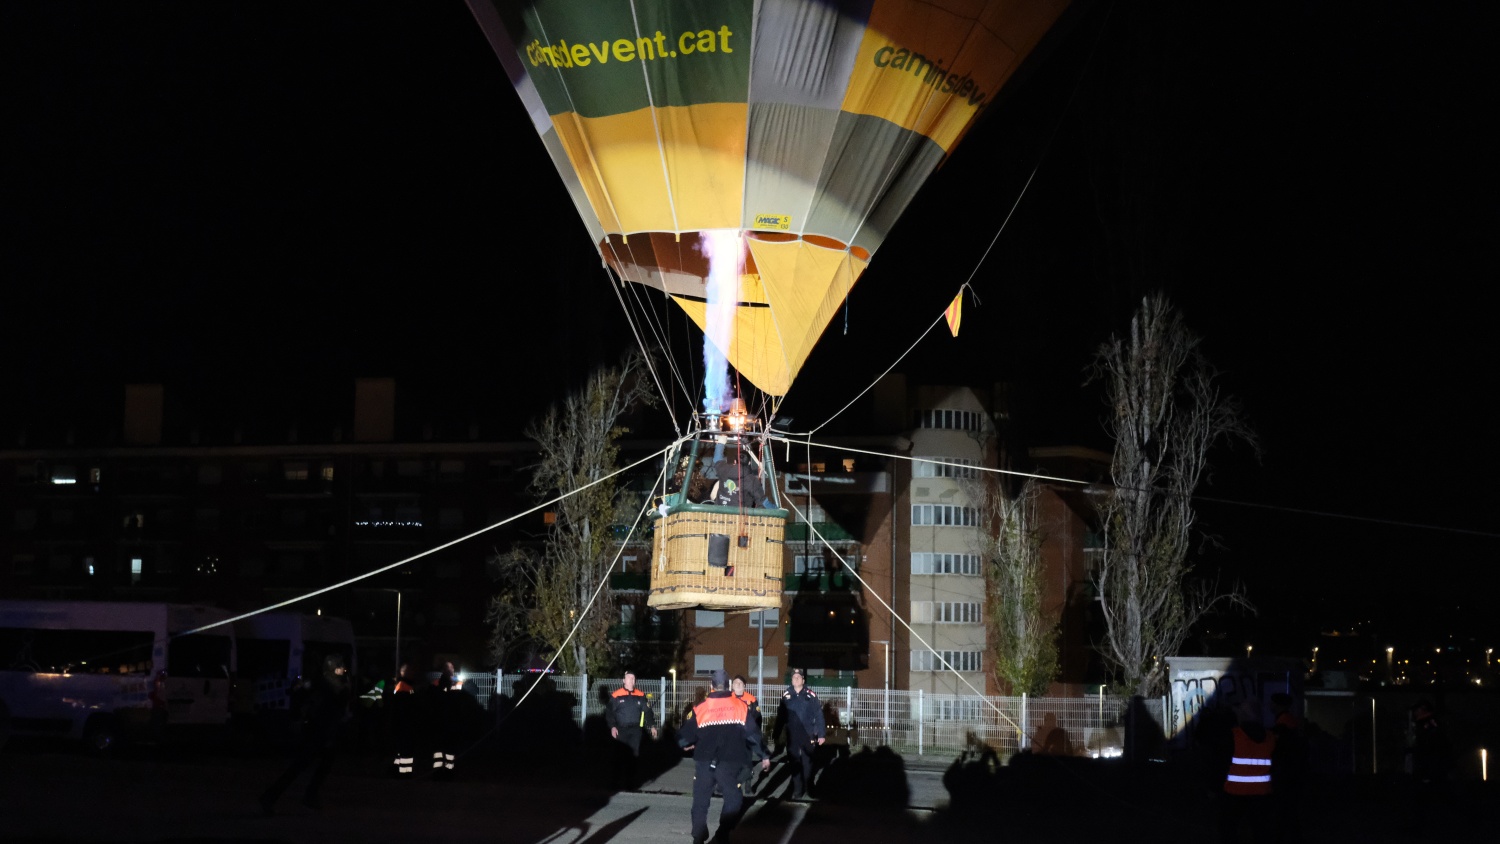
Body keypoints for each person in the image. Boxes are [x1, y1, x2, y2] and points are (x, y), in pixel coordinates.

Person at [678, 669, 769, 844]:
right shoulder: (740, 707)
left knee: (700, 801)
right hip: (729, 762)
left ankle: (698, 835)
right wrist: (764, 754)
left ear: (711, 686)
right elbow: (753, 735)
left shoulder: (701, 708)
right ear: (729, 685)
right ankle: (722, 833)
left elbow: (683, 738)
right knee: (734, 799)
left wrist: (686, 745)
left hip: (704, 762)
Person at [259, 652, 352, 815]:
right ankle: (271, 797)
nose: (342, 668)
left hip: (329, 730)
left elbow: (339, 707)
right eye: (339, 666)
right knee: (300, 766)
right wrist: (301, 714)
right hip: (317, 730)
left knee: (323, 764)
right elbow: (300, 694)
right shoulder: (321, 682)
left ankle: (308, 795)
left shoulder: (341, 684)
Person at [1218, 698, 1276, 844]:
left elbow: (1221, 763)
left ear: (1242, 715)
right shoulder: (1271, 737)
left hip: (1234, 792)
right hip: (1262, 793)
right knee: (1261, 832)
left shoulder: (1233, 735)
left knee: (1229, 830)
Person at [774, 668, 826, 799]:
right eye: (794, 677)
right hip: (792, 736)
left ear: (803, 680)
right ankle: (798, 790)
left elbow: (819, 715)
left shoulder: (810, 695)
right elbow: (781, 716)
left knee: (807, 764)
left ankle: (809, 787)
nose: (796, 679)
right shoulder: (786, 695)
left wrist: (821, 734)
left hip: (808, 735)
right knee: (794, 763)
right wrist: (776, 733)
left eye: (798, 677)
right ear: (791, 680)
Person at [605, 670, 659, 788]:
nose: (631, 680)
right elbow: (609, 713)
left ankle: (630, 782)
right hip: (621, 730)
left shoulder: (640, 695)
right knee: (620, 755)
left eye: (633, 678)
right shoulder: (616, 695)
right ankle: (616, 781)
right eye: (629, 678)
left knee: (634, 755)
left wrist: (652, 726)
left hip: (635, 731)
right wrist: (612, 727)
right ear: (623, 680)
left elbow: (648, 712)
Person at [1268, 693, 1308, 843]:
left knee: (1283, 809)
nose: (1270, 706)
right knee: (1289, 810)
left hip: (1285, 774)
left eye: (1272, 703)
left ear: (1278, 705)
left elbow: (1279, 750)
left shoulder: (1282, 724)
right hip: (1292, 772)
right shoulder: (1290, 721)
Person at [428, 661, 462, 779]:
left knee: (444, 748)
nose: (451, 670)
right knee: (444, 748)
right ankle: (444, 771)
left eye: (451, 667)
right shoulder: (439, 683)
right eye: (449, 668)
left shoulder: (454, 683)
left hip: (444, 721)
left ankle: (443, 772)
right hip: (444, 721)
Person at [731, 675, 764, 795]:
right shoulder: (728, 698)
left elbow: (758, 717)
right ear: (732, 685)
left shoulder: (751, 699)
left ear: (744, 686)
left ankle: (748, 785)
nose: (738, 685)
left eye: (740, 683)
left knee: (747, 762)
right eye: (736, 683)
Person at [388, 662, 418, 779]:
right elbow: (405, 707)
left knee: (401, 750)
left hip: (403, 723)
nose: (412, 673)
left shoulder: (404, 685)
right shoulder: (403, 686)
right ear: (404, 673)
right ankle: (405, 773)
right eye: (410, 671)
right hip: (404, 724)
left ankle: (398, 771)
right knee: (406, 750)